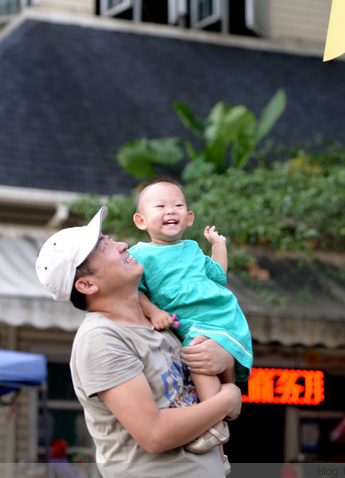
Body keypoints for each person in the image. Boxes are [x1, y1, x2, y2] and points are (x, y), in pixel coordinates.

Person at [35, 206, 242, 478]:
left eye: (109, 239)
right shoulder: (101, 338)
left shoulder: (161, 324)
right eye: (103, 246)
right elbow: (154, 433)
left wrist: (223, 361)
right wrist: (230, 397)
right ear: (86, 285)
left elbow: (204, 391)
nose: (122, 244)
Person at [131, 176, 253, 458]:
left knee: (199, 357)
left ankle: (215, 425)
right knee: (203, 362)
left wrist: (218, 245)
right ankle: (220, 447)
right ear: (141, 221)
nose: (170, 210)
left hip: (220, 312)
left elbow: (218, 277)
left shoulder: (192, 248)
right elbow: (137, 292)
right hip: (192, 322)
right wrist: (154, 311)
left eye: (177, 205)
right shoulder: (139, 255)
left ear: (188, 218)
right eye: (160, 205)